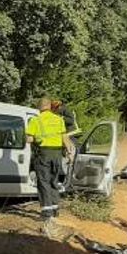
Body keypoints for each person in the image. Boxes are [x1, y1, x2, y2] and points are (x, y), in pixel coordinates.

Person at [26, 97, 68, 236]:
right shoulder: (59, 119)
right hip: (57, 154)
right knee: (53, 181)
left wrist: (29, 138)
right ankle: (55, 211)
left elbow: (29, 139)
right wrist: (69, 152)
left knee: (43, 182)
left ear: (39, 107)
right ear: (50, 107)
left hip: (43, 154)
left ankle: (47, 213)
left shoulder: (35, 120)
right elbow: (65, 138)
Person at [51, 100, 82, 192]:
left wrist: (60, 118)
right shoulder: (62, 112)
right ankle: (64, 182)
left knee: (70, 163)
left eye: (54, 110)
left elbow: (71, 121)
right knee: (65, 163)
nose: (54, 112)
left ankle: (68, 184)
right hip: (67, 139)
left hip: (71, 139)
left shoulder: (66, 111)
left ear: (58, 107)